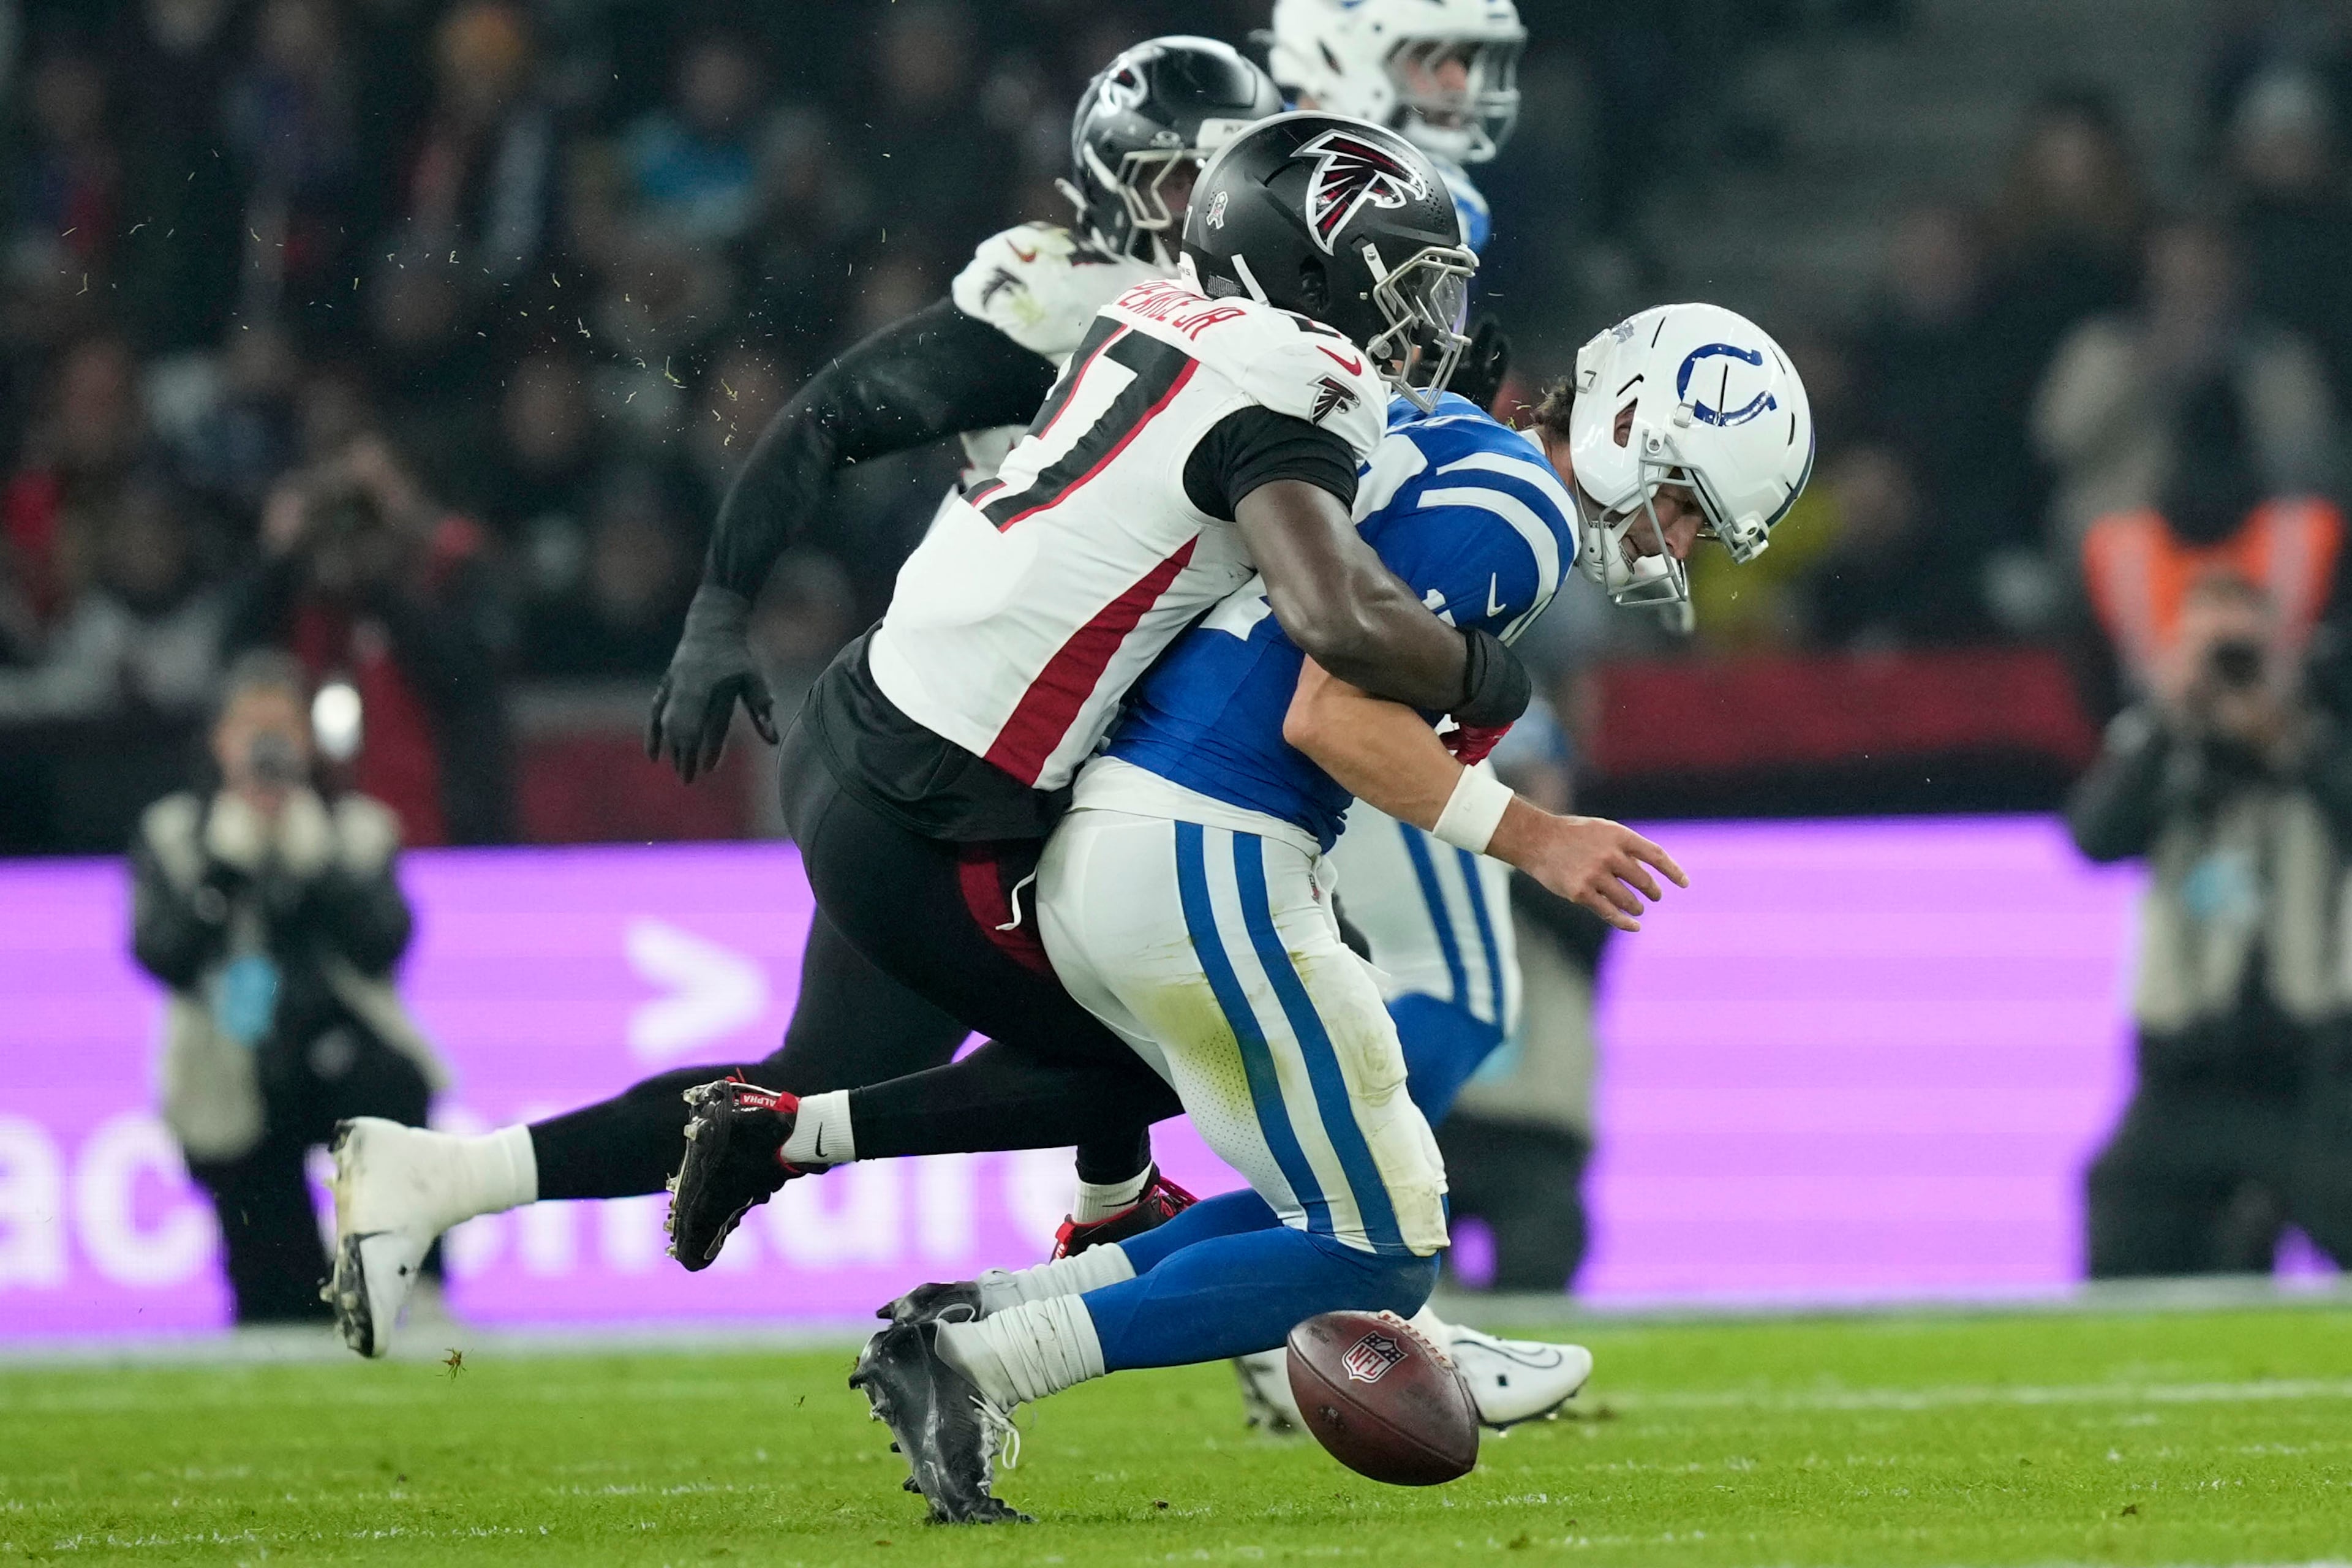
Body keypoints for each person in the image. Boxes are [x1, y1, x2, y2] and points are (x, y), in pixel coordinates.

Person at [321, 64, 1523, 1355]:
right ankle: (1182, 1251)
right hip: (964, 770)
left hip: (922, 719)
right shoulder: (1127, 311)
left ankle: (439, 1180)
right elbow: (838, 413)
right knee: (1193, 1016)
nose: (1185, 206)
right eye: (1175, 176)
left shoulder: (1164, 316)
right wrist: (721, 599)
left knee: (859, 1054)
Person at [754, 298, 1807, 1523]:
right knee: (1377, 1242)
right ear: (1632, 424)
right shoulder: (1518, 509)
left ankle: (975, 1316)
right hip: (1207, 842)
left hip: (1144, 838)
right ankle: (979, 1360)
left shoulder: (1458, 447)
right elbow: (1330, 712)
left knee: (1347, 1206)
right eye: (1683, 499)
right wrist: (1536, 836)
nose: (1674, 536)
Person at [130, 652, 445, 1325]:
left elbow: (385, 944)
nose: (268, 748)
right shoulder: (176, 835)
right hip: (234, 1069)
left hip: (343, 1056)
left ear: (310, 740)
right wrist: (224, 868)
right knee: (277, 1300)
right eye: (251, 729)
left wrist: (320, 863)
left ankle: (413, 1281)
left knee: (391, 1090)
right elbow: (162, 955)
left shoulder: (357, 827)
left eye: (284, 728)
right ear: (219, 740)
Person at [2068, 570, 2352, 1275]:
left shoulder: (2327, 730)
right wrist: (2172, 712)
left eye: (2244, 647)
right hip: (2187, 1072)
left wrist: (2290, 738)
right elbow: (2094, 837)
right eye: (2212, 646)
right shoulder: (2161, 743)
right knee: (2123, 1213)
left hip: (2315, 1072)